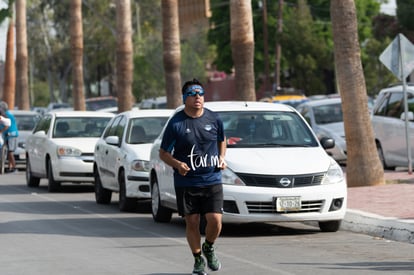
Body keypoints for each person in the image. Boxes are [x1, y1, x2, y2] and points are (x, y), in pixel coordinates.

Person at [159, 79, 227, 275]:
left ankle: (209, 246)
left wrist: (222, 158)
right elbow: (163, 153)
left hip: (212, 178)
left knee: (215, 220)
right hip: (186, 181)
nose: (198, 97)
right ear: (184, 98)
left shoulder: (214, 119)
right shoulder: (176, 123)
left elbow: (222, 140)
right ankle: (198, 259)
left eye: (200, 93)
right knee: (192, 221)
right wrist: (178, 164)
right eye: (192, 93)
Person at [0, 101, 19, 173]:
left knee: (10, 152)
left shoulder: (6, 115)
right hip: (10, 135)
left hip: (11, 135)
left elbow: (7, 125)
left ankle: (14, 168)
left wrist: (1, 131)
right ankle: (10, 167)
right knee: (9, 152)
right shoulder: (7, 114)